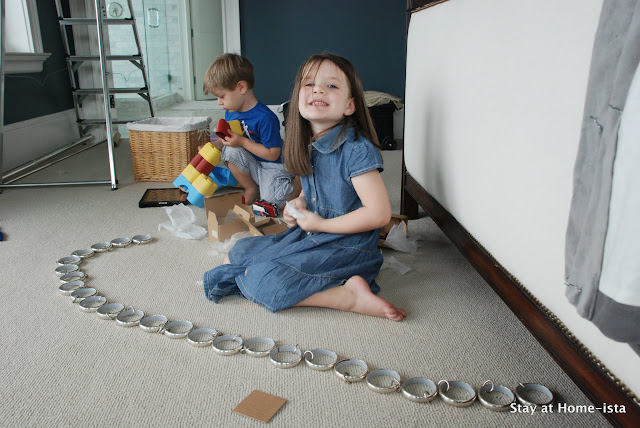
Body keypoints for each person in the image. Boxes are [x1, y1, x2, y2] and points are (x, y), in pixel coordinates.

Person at [203, 53, 406, 321]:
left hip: (345, 247)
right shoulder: (310, 142)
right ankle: (314, 280)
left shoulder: (357, 150)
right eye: (309, 84)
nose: (318, 89)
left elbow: (378, 214)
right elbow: (311, 190)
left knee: (265, 282)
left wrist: (322, 224)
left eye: (331, 85)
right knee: (240, 252)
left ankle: (347, 296)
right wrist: (298, 203)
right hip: (312, 235)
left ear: (349, 105)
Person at [203, 53, 293, 208]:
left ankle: (297, 183)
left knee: (273, 202)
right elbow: (228, 141)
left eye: (221, 96)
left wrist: (242, 142)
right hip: (252, 163)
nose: (219, 102)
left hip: (273, 166)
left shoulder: (265, 117)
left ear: (241, 87)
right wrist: (214, 146)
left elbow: (273, 154)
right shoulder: (231, 112)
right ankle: (251, 187)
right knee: (230, 151)